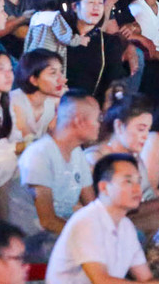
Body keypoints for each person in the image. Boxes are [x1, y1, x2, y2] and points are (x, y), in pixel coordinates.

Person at [47, 153, 159, 284]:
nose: (137, 189)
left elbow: (146, 279)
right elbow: (101, 280)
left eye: (138, 181)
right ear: (104, 188)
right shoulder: (87, 221)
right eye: (128, 181)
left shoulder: (126, 226)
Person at [16, 91, 99, 261]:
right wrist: (90, 237)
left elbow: (93, 207)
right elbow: (47, 221)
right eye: (97, 119)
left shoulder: (77, 153)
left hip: (63, 230)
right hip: (36, 240)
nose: (99, 125)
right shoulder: (40, 154)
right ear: (79, 121)